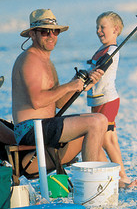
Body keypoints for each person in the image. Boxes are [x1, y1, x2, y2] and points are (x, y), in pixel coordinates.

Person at [12, 9, 107, 164]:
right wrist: (69, 86)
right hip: (30, 129)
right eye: (45, 32)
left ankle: (111, 180)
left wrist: (80, 84)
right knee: (96, 122)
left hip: (44, 125)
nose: (51, 36)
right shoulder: (30, 60)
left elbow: (60, 103)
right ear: (32, 34)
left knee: (99, 121)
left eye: (55, 32)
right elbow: (37, 102)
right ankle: (91, 182)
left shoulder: (45, 61)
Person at [0, 72, 81, 177]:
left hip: (31, 157)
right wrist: (48, 138)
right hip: (28, 162)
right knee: (84, 129)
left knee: (81, 126)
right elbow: (17, 140)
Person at [86, 11, 137, 189]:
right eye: (97, 27)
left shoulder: (110, 50)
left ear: (115, 30)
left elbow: (98, 74)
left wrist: (84, 84)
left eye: (102, 27)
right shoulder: (101, 50)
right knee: (110, 139)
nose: (98, 31)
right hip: (97, 101)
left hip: (107, 100)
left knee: (106, 139)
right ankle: (122, 176)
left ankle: (121, 177)